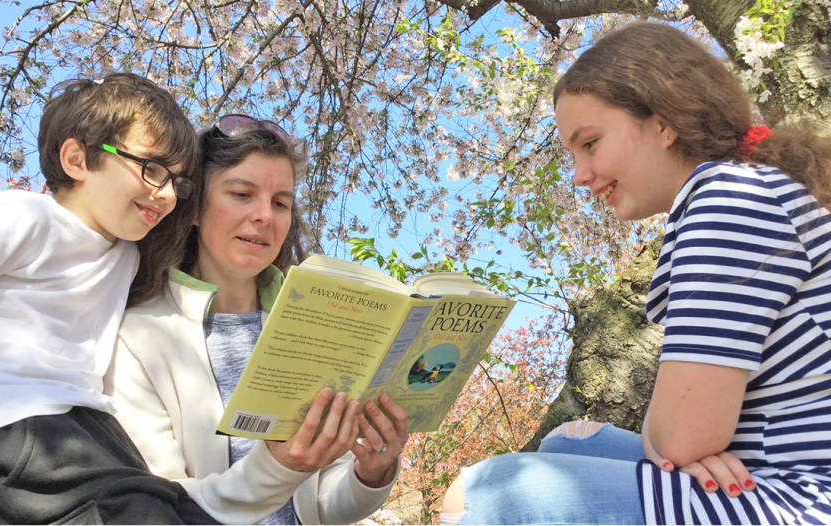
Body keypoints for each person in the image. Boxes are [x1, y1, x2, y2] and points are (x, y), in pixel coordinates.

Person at [439, 21, 831, 525]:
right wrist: (685, 445)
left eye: (591, 143)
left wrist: (685, 444)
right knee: (569, 441)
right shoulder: (745, 190)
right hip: (767, 470)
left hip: (803, 496)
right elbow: (685, 440)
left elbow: (682, 438)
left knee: (480, 494)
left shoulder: (729, 204)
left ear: (662, 122)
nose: (579, 175)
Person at [0, 73, 219, 525]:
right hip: (11, 429)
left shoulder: (128, 255)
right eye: (151, 168)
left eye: (178, 182)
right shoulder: (23, 217)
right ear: (77, 159)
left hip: (91, 435)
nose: (167, 194)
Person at [105, 115, 409, 525]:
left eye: (280, 202)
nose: (265, 215)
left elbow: (319, 507)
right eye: (242, 194)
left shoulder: (313, 328)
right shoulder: (136, 336)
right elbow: (163, 504)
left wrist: (371, 472)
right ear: (194, 208)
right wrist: (280, 467)